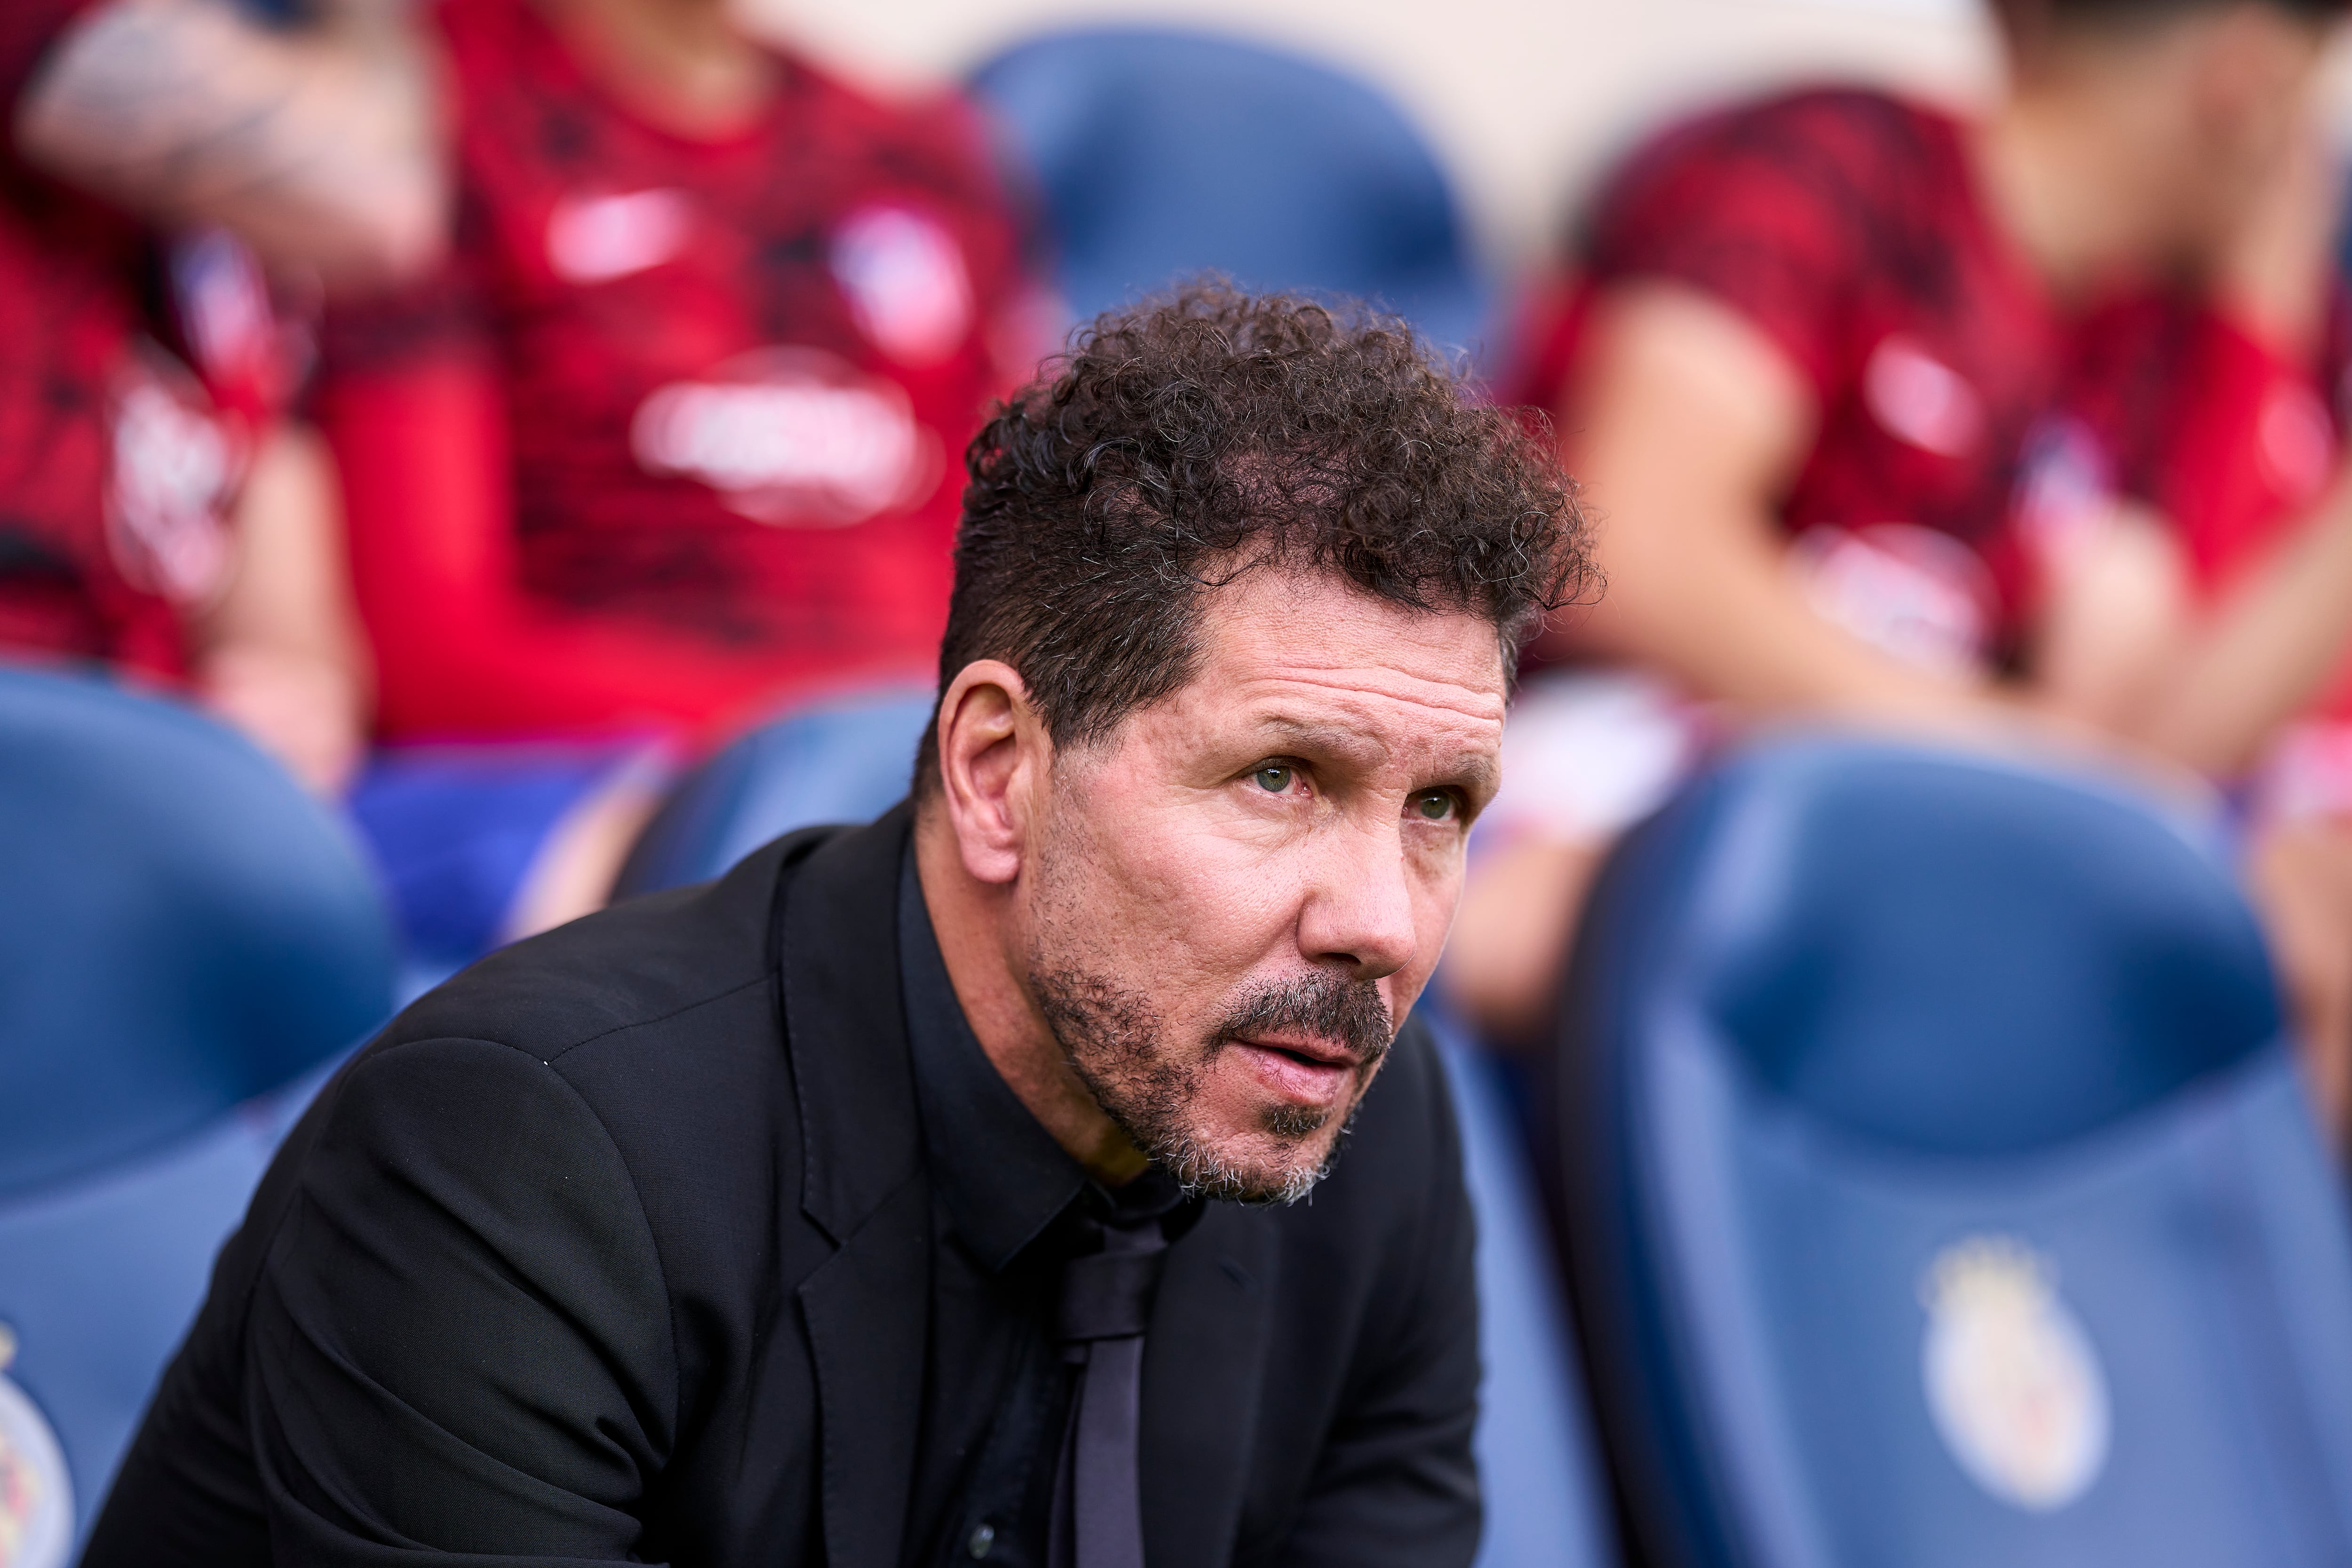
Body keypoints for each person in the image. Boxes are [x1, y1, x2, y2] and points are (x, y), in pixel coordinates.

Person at [80, 286, 1589, 1568]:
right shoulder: (519, 1157)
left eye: (1442, 807)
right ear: (997, 770)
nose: (1384, 923)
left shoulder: (1370, 1131)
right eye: (1280, 776)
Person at [1448, 0, 2352, 1086]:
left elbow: (2159, 759)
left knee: (2302, 924)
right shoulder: (1841, 163)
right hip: (1620, 769)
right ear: (2244, 79)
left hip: (1917, 827)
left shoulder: (2149, 331)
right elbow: (1617, 553)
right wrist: (2022, 762)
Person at [319, 0, 1037, 966]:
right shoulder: (427, 115)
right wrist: (851, 745)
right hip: (578, 779)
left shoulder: (920, 151)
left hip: (913, 768)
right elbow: (429, 652)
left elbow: (1012, 565)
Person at [0, 0, 441, 793]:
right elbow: (381, 200)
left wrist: (288, 700)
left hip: (138, 777)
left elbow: (287, 621)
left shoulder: (240, 242)